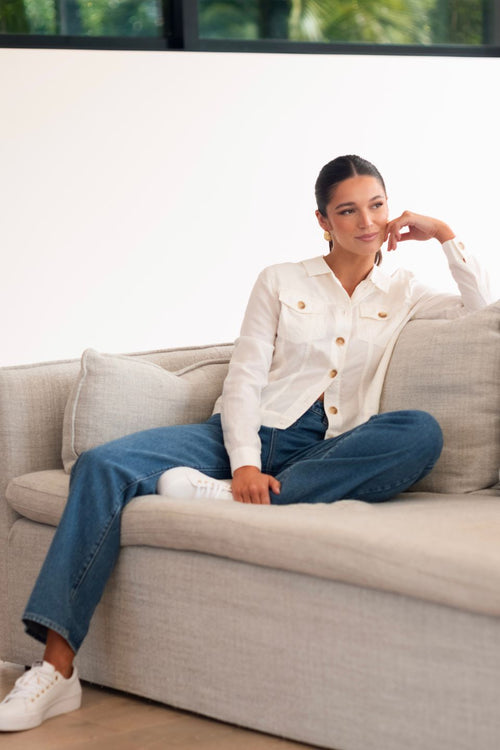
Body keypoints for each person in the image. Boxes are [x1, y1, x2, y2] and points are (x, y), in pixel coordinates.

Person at [0, 155, 491, 732]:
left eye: (377, 205)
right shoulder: (280, 280)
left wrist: (447, 237)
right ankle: (56, 672)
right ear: (322, 220)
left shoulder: (405, 288)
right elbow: (245, 378)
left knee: (419, 432)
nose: (367, 221)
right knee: (104, 464)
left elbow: (483, 313)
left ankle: (224, 499)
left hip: (329, 447)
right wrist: (245, 463)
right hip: (246, 433)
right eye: (348, 210)